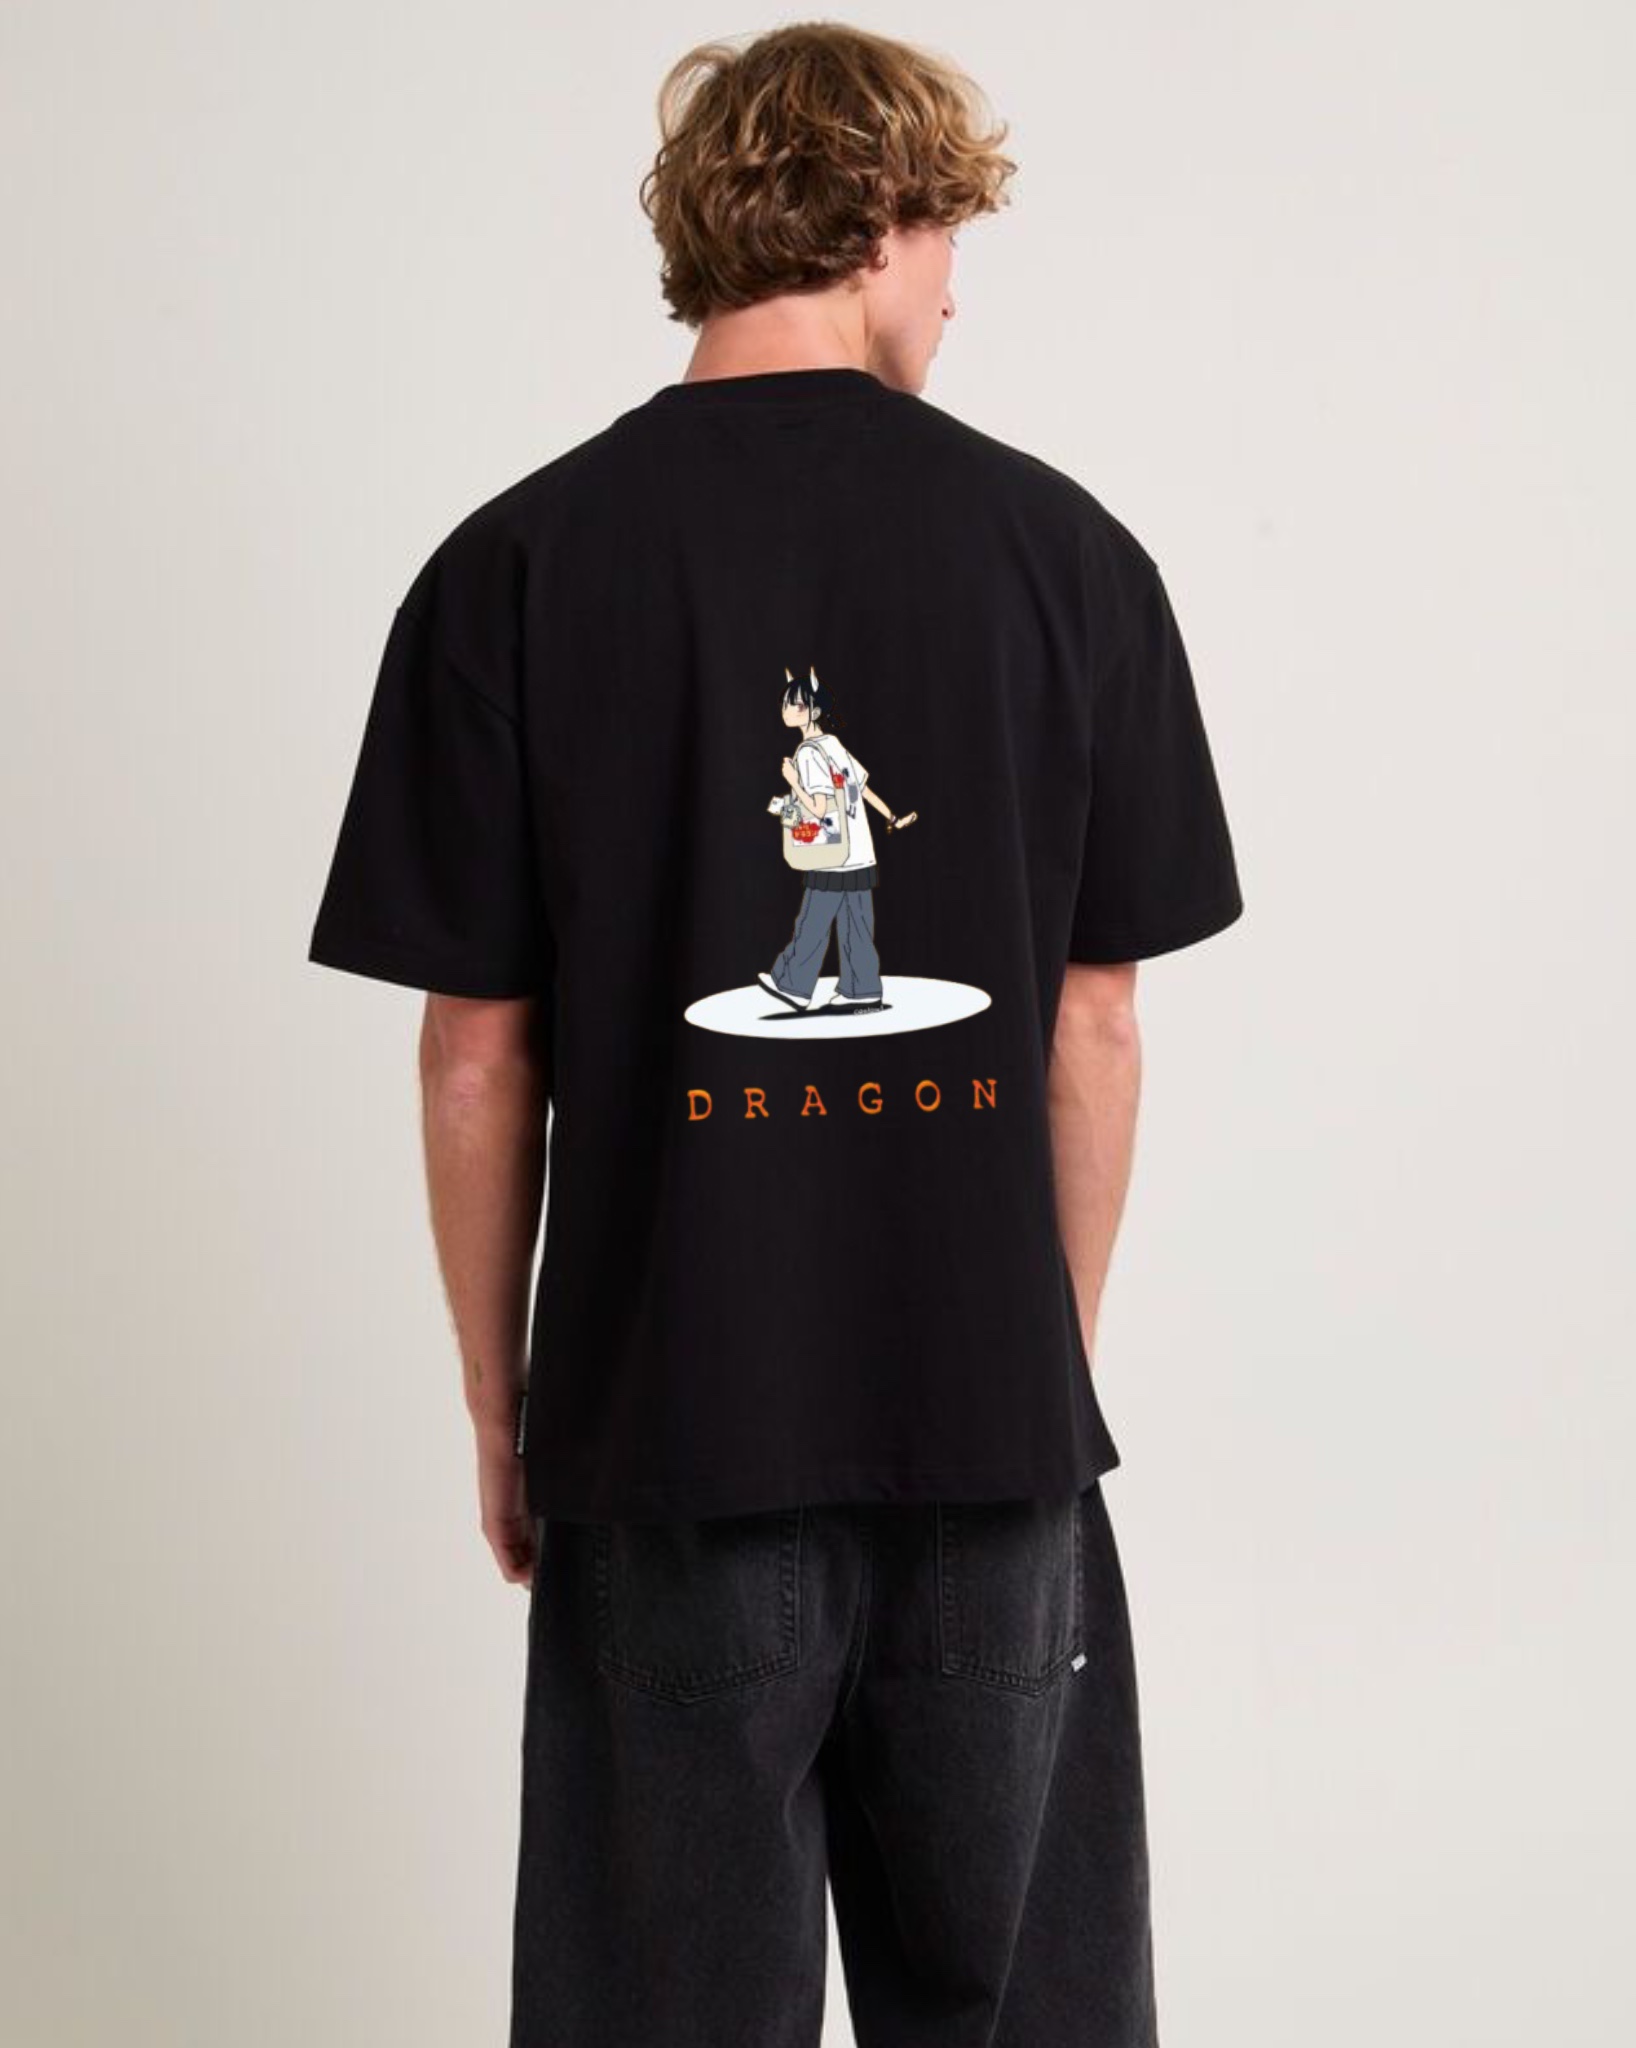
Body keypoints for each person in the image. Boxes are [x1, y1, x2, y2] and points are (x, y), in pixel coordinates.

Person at [307, 23, 1243, 2048]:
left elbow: (474, 1052)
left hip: (667, 1430)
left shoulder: (514, 567)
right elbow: (1091, 1025)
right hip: (988, 1446)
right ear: (881, 216)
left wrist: (503, 1403)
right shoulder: (1068, 558)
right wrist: (1036, 1356)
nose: (955, 294)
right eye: (951, 240)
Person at [762, 664, 916, 1014]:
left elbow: (818, 808)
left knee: (813, 922)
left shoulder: (807, 753)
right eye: (785, 703)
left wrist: (792, 781)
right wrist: (892, 817)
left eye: (795, 704)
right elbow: (862, 789)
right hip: (860, 851)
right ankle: (863, 990)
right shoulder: (833, 745)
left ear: (814, 712)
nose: (786, 710)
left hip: (831, 853)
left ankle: (793, 985)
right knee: (856, 924)